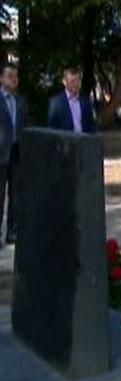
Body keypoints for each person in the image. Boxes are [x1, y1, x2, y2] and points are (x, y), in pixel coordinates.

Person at [0, 62, 29, 246]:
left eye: (15, 76)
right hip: (1, 154)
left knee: (16, 195)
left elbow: (26, 125)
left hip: (17, 153)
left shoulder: (20, 101)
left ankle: (13, 231)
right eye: (10, 75)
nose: (13, 79)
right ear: (1, 78)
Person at [47, 67, 96, 133]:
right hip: (65, 142)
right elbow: (52, 130)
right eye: (72, 81)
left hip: (84, 141)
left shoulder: (85, 102)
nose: (76, 84)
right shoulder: (56, 103)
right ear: (64, 82)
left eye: (78, 80)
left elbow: (91, 125)